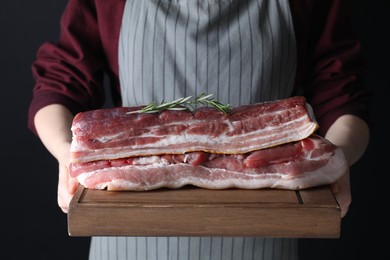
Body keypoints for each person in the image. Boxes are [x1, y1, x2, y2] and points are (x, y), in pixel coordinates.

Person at [28, 0, 372, 259]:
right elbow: (60, 81)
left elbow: (341, 92)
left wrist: (334, 159)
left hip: (262, 238)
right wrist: (68, 154)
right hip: (128, 240)